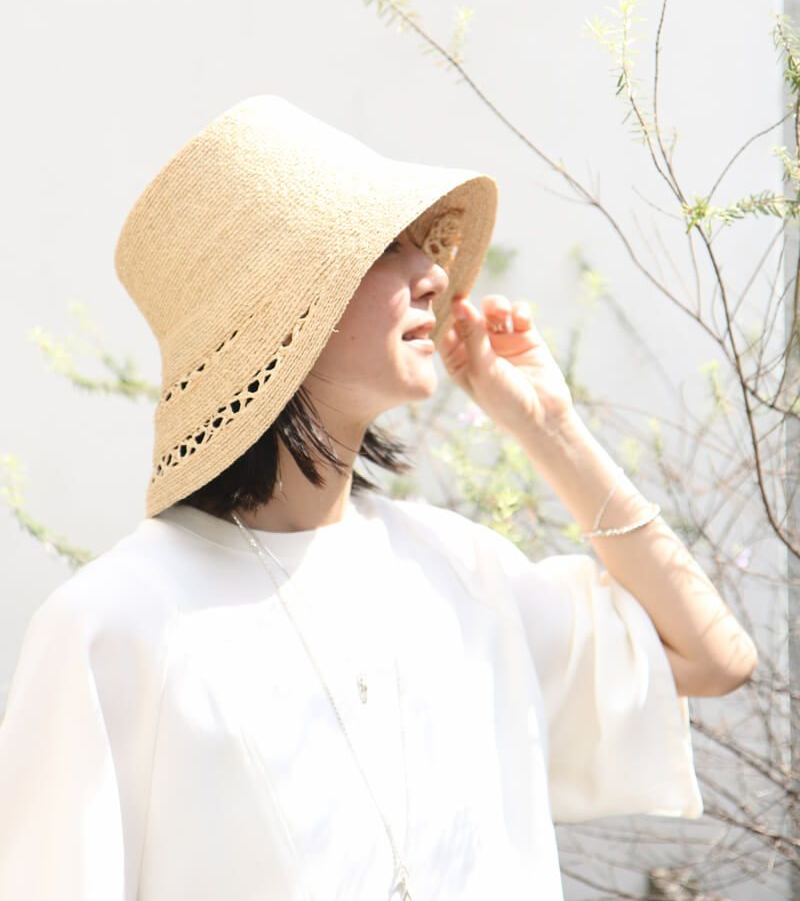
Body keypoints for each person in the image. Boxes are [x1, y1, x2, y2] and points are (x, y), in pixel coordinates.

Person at [0, 95, 757, 901]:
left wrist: (551, 429)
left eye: (422, 248)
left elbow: (713, 657)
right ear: (285, 307)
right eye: (386, 249)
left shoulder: (461, 570)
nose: (435, 276)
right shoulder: (114, 626)